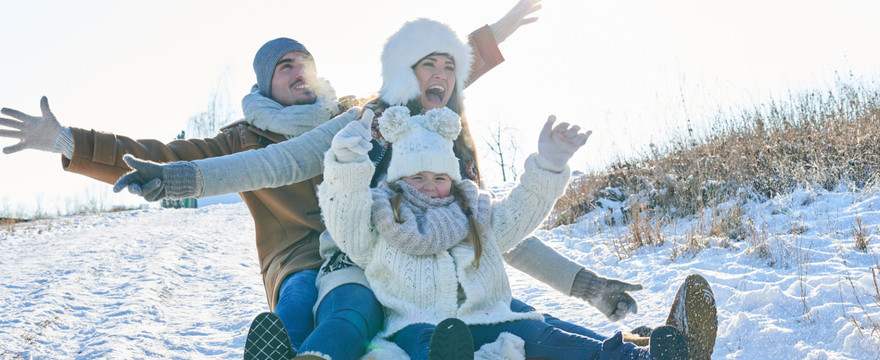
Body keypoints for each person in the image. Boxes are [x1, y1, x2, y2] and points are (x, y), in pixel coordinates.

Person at [113, 18, 718, 360]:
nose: (441, 77)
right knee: (341, 312)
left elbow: (497, 231)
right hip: (362, 260)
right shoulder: (364, 120)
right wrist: (174, 179)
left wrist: (588, 285)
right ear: (404, 73)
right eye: (428, 67)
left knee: (522, 321)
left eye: (450, 69)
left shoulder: (449, 139)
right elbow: (272, 164)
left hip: (445, 271)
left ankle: (648, 352)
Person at [316, 81, 689, 359]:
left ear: (453, 178)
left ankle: (639, 357)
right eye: (418, 177)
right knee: (429, 348)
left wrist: (548, 165)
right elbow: (343, 215)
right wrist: (346, 164)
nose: (430, 186)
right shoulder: (382, 219)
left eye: (440, 177)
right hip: (416, 327)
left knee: (550, 340)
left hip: (492, 318)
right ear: (399, 179)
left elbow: (520, 214)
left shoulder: (475, 215)